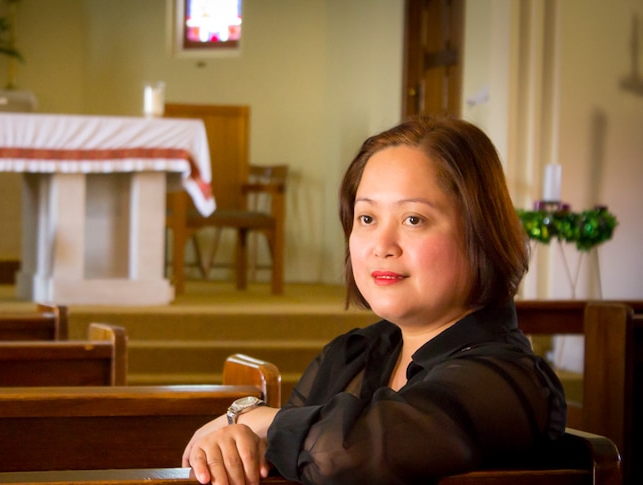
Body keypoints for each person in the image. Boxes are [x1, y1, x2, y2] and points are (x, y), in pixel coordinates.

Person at [182, 116, 567, 485]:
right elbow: (286, 446)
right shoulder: (352, 354)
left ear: (480, 233)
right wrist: (237, 445)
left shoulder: (504, 380)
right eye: (366, 218)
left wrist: (254, 418)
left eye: (413, 219)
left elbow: (341, 453)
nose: (382, 246)